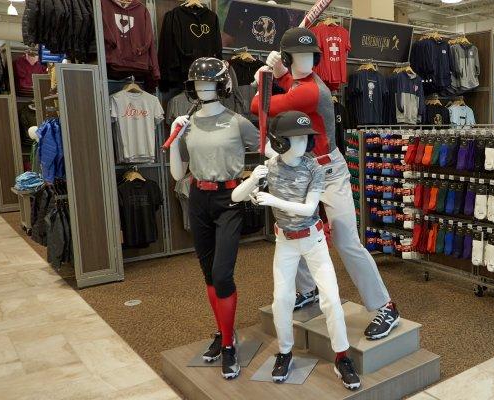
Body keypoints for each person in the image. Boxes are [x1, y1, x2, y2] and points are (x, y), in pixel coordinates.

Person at [250, 27, 401, 340]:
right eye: (299, 55)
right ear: (290, 57)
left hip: (329, 172)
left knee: (346, 241)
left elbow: (259, 107)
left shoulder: (312, 90)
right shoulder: (301, 82)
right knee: (295, 231)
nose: (305, 61)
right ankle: (308, 291)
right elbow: (291, 85)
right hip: (301, 169)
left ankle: (386, 306)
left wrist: (263, 81)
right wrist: (278, 75)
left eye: (310, 55)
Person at [232, 111, 361, 390]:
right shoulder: (271, 167)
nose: (302, 144)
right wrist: (254, 178)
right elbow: (235, 196)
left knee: (331, 299)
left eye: (305, 138)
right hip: (285, 242)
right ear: (279, 142)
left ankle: (342, 356)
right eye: (295, 139)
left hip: (313, 239)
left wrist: (271, 199)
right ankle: (285, 352)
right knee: (282, 299)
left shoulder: (313, 167)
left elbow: (309, 208)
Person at [168, 57, 259, 380]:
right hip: (198, 197)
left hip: (229, 200)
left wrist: (255, 180)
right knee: (208, 274)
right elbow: (179, 172)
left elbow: (268, 151)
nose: (202, 87)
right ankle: (224, 333)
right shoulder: (186, 123)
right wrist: (174, 136)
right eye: (196, 83)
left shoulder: (238, 122)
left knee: (223, 274)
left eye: (208, 82)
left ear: (222, 85)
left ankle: (231, 347)